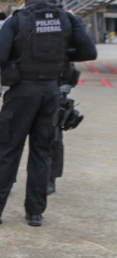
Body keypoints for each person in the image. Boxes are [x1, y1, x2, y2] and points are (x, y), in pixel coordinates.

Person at [0, 0, 96, 227]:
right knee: (42, 152)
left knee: (8, 150)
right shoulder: (66, 19)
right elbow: (89, 52)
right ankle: (35, 213)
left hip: (21, 94)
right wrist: (61, 53)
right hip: (51, 93)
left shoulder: (17, 20)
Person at [48, 64, 80, 195]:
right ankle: (5, 180)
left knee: (53, 138)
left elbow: (87, 51)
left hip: (56, 87)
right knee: (12, 138)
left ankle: (50, 178)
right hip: (26, 85)